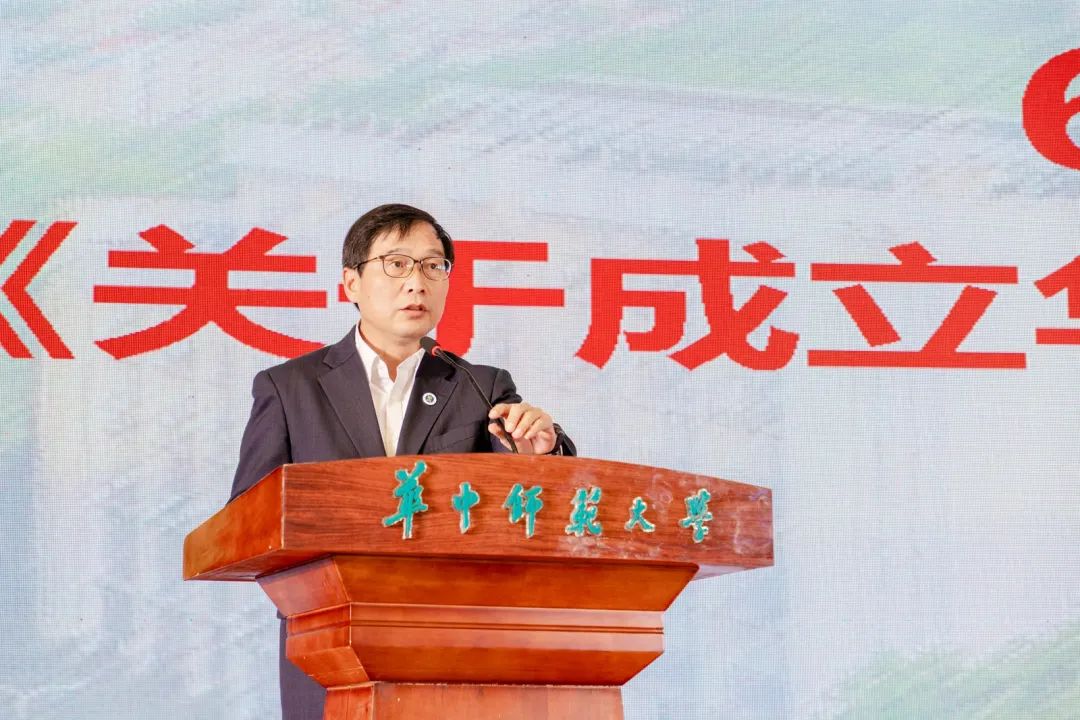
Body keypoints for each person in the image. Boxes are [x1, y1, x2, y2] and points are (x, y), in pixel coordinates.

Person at [228, 203, 575, 720]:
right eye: (396, 264)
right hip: (328, 640)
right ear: (351, 282)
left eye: (433, 266)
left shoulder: (480, 385)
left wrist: (539, 452)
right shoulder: (290, 387)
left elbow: (533, 494)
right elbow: (247, 519)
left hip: (456, 642)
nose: (417, 282)